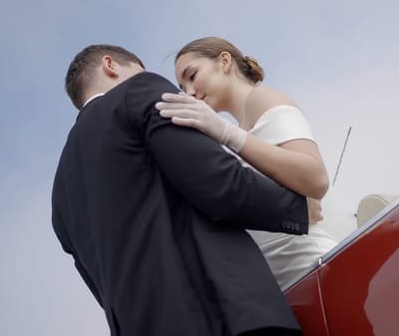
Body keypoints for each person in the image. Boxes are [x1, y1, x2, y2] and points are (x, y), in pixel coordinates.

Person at [52, 44, 322, 336]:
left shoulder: (60, 195)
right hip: (223, 315)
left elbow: (99, 285)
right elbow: (215, 182)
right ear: (111, 65)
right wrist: (296, 208)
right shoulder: (139, 91)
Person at [155, 37, 338, 288]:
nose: (189, 92)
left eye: (192, 76)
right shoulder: (230, 132)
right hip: (283, 290)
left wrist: (227, 133)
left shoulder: (261, 98)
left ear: (224, 61)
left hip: (317, 271)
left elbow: (316, 179)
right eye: (182, 87)